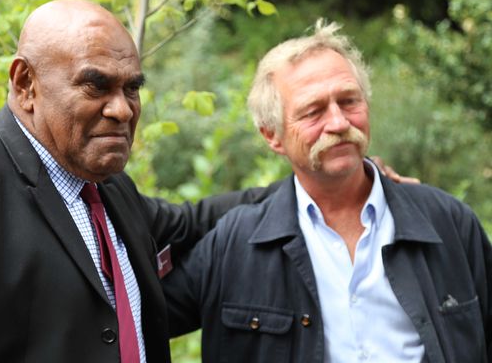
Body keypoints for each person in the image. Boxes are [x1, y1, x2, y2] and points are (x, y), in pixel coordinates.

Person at [0, 0, 278, 363]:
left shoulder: (108, 188)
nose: (122, 109)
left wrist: (306, 192)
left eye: (132, 88)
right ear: (26, 83)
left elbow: (191, 222)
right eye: (97, 86)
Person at [162, 20, 492, 362]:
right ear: (272, 136)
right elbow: (132, 322)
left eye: (349, 101)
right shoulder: (233, 244)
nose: (338, 123)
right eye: (313, 111)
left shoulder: (449, 223)